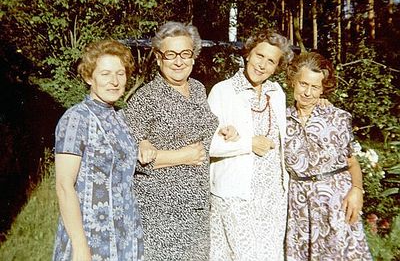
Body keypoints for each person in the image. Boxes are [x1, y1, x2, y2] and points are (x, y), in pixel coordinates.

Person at [124, 21, 219, 261]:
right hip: (161, 210)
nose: (179, 61)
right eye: (171, 54)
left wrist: (224, 131)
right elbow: (127, 156)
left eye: (185, 54)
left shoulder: (198, 89)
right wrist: (182, 156)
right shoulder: (145, 99)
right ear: (158, 58)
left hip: (196, 206)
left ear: (194, 57)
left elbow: (204, 133)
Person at [53, 40, 144, 261]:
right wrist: (80, 246)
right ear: (89, 77)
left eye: (120, 74)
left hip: (126, 234)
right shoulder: (76, 118)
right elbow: (64, 186)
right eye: (105, 74)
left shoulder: (120, 118)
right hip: (92, 235)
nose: (114, 82)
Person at [207, 29, 293, 261]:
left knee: (269, 255)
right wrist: (248, 143)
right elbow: (208, 145)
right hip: (236, 194)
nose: (262, 65)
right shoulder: (223, 91)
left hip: (272, 195)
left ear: (277, 67)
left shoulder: (277, 93)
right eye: (259, 56)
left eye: (271, 61)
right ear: (247, 54)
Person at [284, 52, 372, 260]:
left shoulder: (337, 118)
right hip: (299, 208)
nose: (308, 92)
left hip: (336, 204)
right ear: (293, 82)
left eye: (315, 87)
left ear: (323, 89)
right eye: (303, 84)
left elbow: (351, 162)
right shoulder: (281, 118)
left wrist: (357, 190)